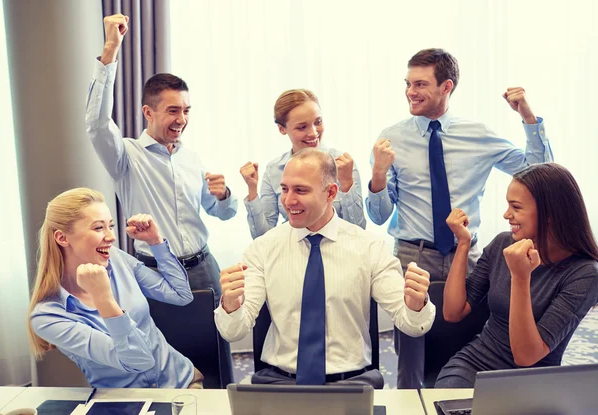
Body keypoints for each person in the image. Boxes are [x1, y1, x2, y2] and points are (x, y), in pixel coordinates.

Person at [365, 48, 554, 388]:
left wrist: (527, 116)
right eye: (407, 84)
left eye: (420, 84)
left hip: (467, 257)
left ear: (446, 86)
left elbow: (539, 171)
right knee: (411, 351)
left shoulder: (477, 134)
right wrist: (378, 175)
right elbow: (378, 216)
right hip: (412, 256)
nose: (411, 92)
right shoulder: (391, 138)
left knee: (468, 341)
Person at [216, 148, 435, 389]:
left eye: (301, 190)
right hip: (280, 383)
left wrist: (416, 305)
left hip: (352, 382)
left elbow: (413, 326)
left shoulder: (368, 247)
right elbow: (233, 332)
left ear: (331, 192)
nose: (289, 201)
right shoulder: (262, 249)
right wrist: (231, 305)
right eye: (285, 189)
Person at [86, 14, 237, 300]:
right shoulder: (126, 157)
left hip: (205, 268)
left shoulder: (191, 158)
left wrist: (224, 195)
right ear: (148, 112)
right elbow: (97, 124)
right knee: (161, 345)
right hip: (155, 272)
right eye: (173, 110)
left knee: (217, 344)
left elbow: (224, 213)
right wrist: (110, 50)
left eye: (186, 110)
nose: (182, 119)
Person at [435, 163, 598, 388]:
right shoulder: (503, 244)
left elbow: (526, 356)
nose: (506, 214)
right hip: (475, 365)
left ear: (550, 214)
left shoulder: (584, 274)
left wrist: (520, 277)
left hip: (533, 382)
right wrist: (463, 243)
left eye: (516, 207)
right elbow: (453, 312)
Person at [28, 188, 203, 388]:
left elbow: (181, 295)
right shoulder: (47, 317)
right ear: (62, 238)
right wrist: (104, 300)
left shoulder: (117, 258)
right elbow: (139, 360)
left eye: (110, 226)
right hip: (125, 404)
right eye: (98, 228)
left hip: (182, 383)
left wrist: (156, 242)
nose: (111, 237)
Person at [240, 89, 366, 239]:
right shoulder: (274, 170)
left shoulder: (343, 165)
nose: (313, 133)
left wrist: (347, 185)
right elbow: (263, 238)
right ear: (282, 129)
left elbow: (359, 231)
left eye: (318, 122)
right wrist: (252, 190)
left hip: (340, 255)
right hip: (293, 255)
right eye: (302, 127)